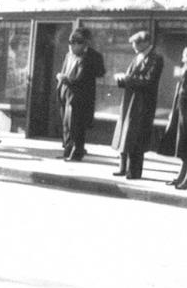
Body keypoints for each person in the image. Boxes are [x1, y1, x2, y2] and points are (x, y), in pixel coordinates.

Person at [111, 30, 164, 180]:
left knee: (136, 136)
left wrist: (127, 79)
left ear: (145, 42)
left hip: (142, 103)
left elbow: (149, 81)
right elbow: (133, 77)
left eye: (136, 43)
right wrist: (122, 79)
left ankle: (133, 171)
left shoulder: (155, 58)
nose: (133, 46)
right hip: (130, 100)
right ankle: (123, 167)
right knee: (125, 133)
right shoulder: (138, 57)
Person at [56, 28, 105, 162]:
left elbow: (99, 73)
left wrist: (67, 79)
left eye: (75, 42)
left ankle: (77, 152)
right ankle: (67, 149)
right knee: (66, 124)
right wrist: (61, 81)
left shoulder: (92, 56)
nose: (71, 45)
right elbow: (64, 70)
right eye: (70, 42)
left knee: (76, 125)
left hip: (80, 96)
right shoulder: (69, 55)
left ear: (84, 43)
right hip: (65, 93)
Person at [159, 46, 187, 189]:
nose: (183, 58)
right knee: (183, 146)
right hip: (182, 112)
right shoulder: (185, 69)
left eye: (186, 55)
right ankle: (181, 176)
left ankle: (186, 180)